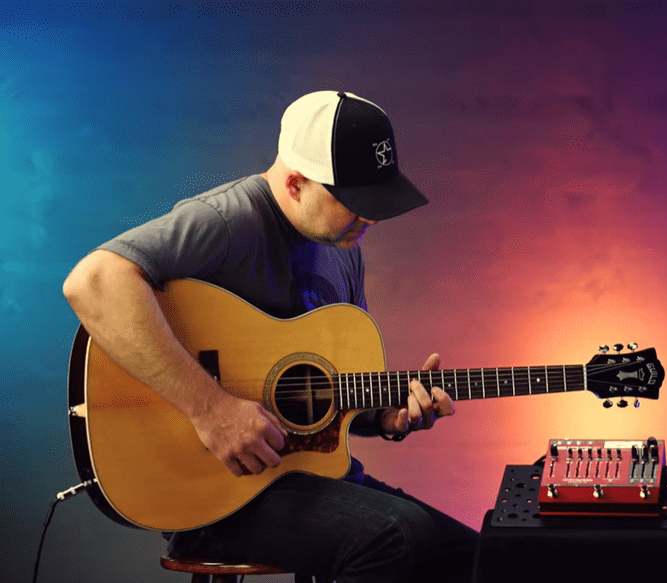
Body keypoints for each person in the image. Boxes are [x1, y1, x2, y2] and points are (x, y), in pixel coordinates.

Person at [62, 91, 478, 582]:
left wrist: (387, 415)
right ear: (296, 183)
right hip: (218, 493)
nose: (369, 219)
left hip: (306, 479)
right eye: (355, 203)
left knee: (480, 556)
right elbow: (92, 281)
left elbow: (324, 400)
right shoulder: (226, 220)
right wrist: (211, 409)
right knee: (395, 536)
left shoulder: (344, 246)